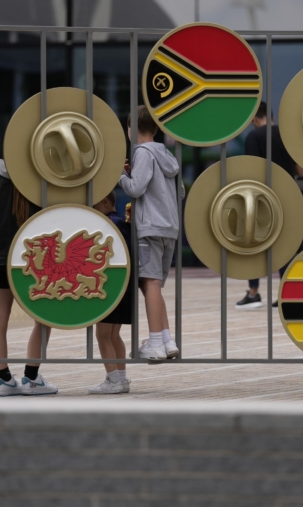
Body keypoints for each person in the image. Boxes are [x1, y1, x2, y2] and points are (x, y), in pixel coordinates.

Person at [0, 159, 58, 396]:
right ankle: (31, 378)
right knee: (43, 317)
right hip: (33, 261)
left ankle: (3, 380)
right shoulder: (41, 178)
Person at [118, 105, 183, 361]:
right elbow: (180, 192)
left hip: (150, 226)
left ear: (131, 129)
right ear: (155, 128)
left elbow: (135, 189)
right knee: (152, 284)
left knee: (150, 283)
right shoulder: (166, 154)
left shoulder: (142, 152)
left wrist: (120, 176)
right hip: (169, 226)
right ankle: (167, 340)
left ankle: (155, 342)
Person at [235, 101, 303, 310]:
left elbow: (252, 170)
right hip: (288, 195)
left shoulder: (254, 137)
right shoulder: (288, 135)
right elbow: (300, 171)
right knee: (285, 246)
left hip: (263, 197)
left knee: (252, 243)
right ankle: (288, 294)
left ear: (254, 118)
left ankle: (253, 292)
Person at [90, 191, 132, 394]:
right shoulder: (124, 223)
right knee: (115, 335)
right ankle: (122, 379)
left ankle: (112, 379)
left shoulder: (105, 225)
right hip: (125, 287)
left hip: (108, 287)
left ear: (105, 201)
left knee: (103, 335)